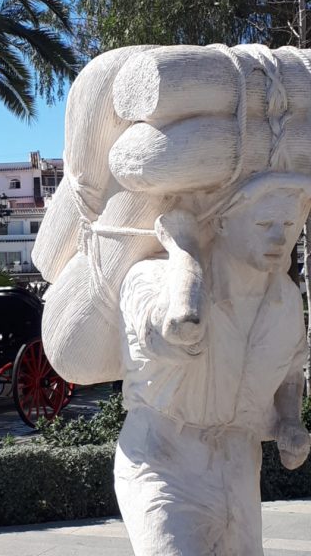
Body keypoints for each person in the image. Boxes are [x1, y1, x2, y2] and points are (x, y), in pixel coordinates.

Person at [115, 174, 311, 556]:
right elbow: (182, 328)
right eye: (263, 224)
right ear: (220, 222)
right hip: (165, 460)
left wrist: (290, 421)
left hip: (238, 465)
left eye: (288, 226)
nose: (279, 238)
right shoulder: (154, 277)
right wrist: (185, 252)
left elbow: (291, 369)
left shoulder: (285, 301)